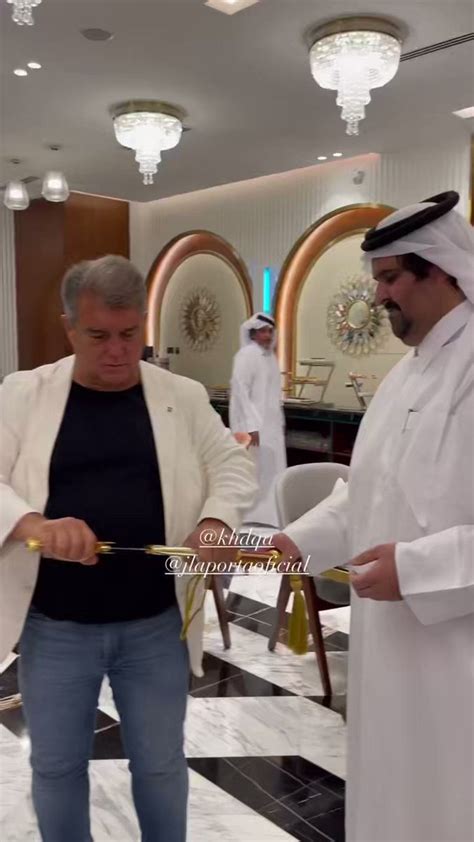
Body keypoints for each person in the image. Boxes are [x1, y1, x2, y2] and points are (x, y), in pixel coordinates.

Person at [0, 255, 257, 842]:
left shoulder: (181, 396)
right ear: (68, 327)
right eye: (98, 336)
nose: (118, 352)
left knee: (161, 765)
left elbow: (231, 464)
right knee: (57, 767)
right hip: (55, 626)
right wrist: (33, 522)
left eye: (129, 334)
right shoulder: (23, 395)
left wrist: (216, 521)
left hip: (155, 625)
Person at [272, 192, 474, 842]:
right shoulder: (404, 376)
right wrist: (293, 541)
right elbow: (366, 493)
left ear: (440, 270)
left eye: (390, 279)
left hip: (455, 655)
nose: (380, 296)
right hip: (387, 647)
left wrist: (414, 569)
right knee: (389, 791)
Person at [229, 312, 286, 527]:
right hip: (253, 427)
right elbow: (241, 393)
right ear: (253, 334)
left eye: (270, 331)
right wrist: (251, 426)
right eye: (263, 331)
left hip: (271, 426)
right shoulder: (247, 355)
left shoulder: (270, 358)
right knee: (253, 471)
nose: (268, 335)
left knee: (271, 470)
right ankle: (250, 516)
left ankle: (270, 516)